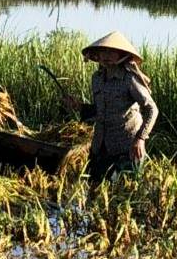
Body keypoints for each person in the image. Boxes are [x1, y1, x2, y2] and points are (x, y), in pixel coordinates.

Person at [63, 31, 158, 180]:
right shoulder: (97, 79)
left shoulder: (129, 79)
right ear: (97, 55)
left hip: (127, 148)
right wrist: (79, 106)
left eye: (111, 52)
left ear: (120, 55)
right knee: (93, 190)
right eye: (103, 51)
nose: (106, 55)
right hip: (100, 146)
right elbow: (100, 111)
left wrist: (140, 138)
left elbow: (152, 109)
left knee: (123, 195)